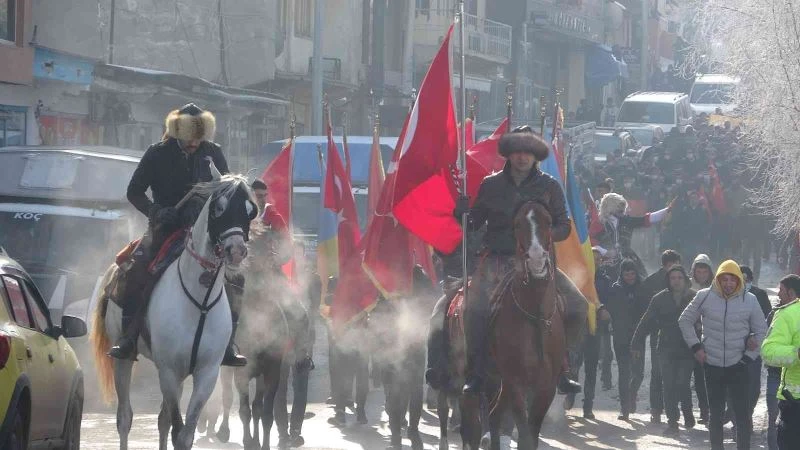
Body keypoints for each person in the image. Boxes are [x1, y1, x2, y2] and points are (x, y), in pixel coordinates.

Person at [425, 126, 587, 395]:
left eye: (528, 152)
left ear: (536, 155)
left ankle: (562, 368)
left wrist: (542, 237)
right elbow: (475, 223)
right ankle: (476, 372)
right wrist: (463, 213)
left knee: (578, 306)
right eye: (517, 152)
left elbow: (564, 226)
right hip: (496, 262)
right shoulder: (491, 184)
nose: (522, 157)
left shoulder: (549, 186)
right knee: (472, 310)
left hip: (537, 263)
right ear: (509, 155)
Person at [107, 103, 246, 366]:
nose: (194, 142)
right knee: (136, 271)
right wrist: (156, 211)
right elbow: (134, 191)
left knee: (235, 279)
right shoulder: (156, 154)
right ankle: (129, 336)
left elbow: (227, 192)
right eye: (188, 136)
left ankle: (227, 344)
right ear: (176, 132)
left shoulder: (213, 153)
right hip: (164, 229)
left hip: (205, 233)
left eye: (198, 136)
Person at [678, 260, 767, 450]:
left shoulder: (749, 300)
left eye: (732, 280)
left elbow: (762, 330)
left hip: (740, 365)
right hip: (712, 364)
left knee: (742, 416)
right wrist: (696, 347)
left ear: (739, 281)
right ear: (718, 279)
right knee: (716, 415)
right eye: (724, 279)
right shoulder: (704, 296)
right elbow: (684, 320)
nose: (728, 284)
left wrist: (749, 356)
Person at [632, 265, 696, 436]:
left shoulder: (694, 297)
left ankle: (688, 411)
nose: (676, 281)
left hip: (687, 348)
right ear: (668, 280)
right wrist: (636, 343)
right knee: (668, 385)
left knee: (683, 383)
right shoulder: (659, 299)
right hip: (666, 347)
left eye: (679, 278)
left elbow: (707, 320)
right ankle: (673, 422)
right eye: (673, 278)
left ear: (685, 279)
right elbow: (645, 321)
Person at [638, 249, 682, 424]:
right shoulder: (651, 282)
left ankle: (673, 408)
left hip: (680, 334)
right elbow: (644, 308)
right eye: (671, 265)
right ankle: (656, 409)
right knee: (657, 372)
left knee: (677, 373)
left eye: (677, 265)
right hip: (659, 333)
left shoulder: (684, 281)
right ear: (664, 265)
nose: (674, 270)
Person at [604, 259, 648, 420]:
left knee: (638, 373)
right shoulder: (615, 290)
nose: (630, 277)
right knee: (624, 373)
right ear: (621, 274)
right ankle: (625, 409)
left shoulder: (642, 289)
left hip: (637, 338)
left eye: (632, 274)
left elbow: (647, 313)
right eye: (626, 274)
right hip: (620, 338)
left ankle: (632, 393)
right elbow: (610, 310)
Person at [592, 193, 672, 279]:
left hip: (627, 257)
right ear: (610, 209)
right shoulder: (600, 223)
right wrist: (605, 252)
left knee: (641, 278)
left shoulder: (626, 220)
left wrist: (667, 210)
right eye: (620, 211)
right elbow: (591, 240)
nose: (623, 214)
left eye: (623, 211)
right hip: (603, 260)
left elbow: (647, 219)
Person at [763, 275, 800, 450]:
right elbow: (769, 352)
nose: (778, 293)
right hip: (795, 404)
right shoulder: (789, 313)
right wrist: (797, 353)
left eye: (781, 290)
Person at [582, 247, 614, 418]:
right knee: (572, 367)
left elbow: (609, 302)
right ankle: (570, 396)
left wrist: (605, 311)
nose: (595, 262)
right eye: (591, 258)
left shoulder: (605, 280)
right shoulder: (577, 278)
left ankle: (588, 405)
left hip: (596, 330)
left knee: (591, 368)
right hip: (578, 329)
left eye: (598, 259)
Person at [689, 253, 714, 424]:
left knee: (710, 376)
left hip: (710, 337)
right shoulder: (688, 287)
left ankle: (711, 409)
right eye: (699, 271)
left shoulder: (715, 288)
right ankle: (702, 410)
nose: (702, 274)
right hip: (691, 337)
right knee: (697, 376)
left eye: (705, 271)